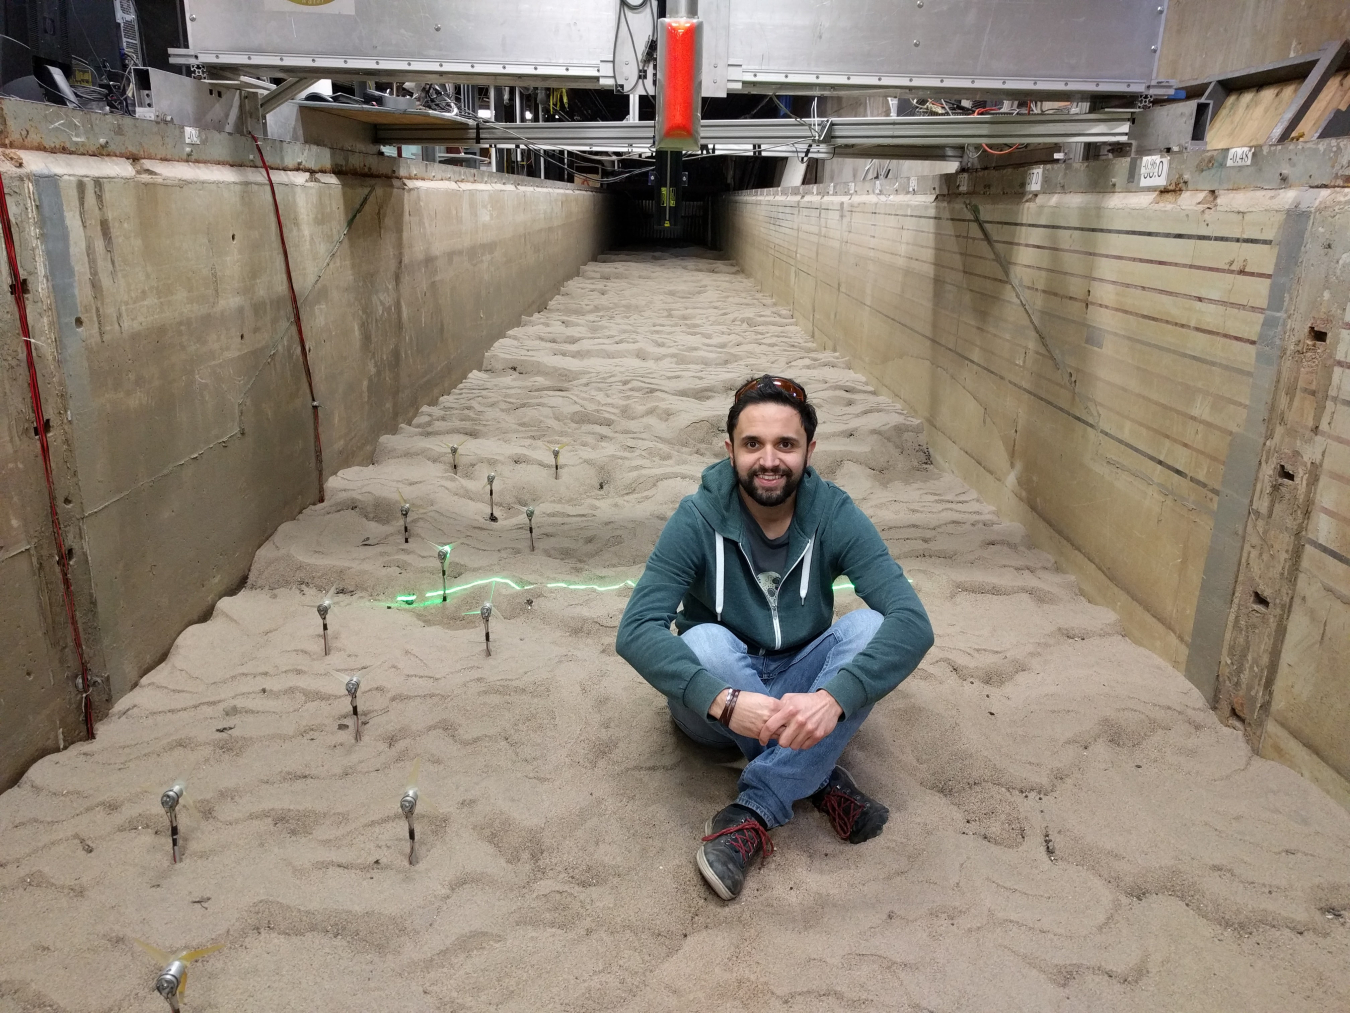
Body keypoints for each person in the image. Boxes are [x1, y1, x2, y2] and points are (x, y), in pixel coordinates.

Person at [616, 374, 934, 900]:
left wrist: (833, 698)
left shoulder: (834, 513)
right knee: (705, 644)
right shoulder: (696, 518)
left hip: (801, 675)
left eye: (786, 444)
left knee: (868, 628)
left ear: (810, 449)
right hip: (718, 704)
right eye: (753, 444)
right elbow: (635, 630)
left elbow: (911, 622)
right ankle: (819, 772)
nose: (769, 460)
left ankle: (755, 808)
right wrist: (722, 699)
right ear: (730, 450)